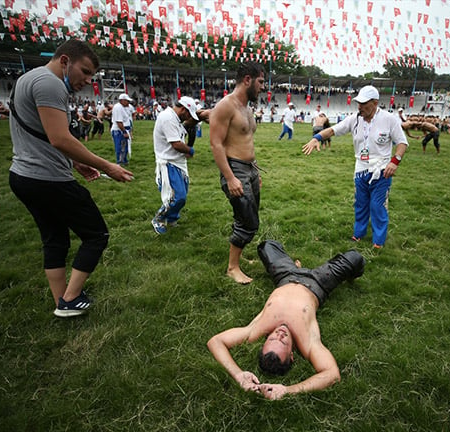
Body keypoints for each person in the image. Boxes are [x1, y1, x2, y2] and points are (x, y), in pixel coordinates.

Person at [8, 39, 133, 318]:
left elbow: (42, 135)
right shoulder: (50, 83)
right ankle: (71, 297)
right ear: (65, 61)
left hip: (23, 176)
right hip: (48, 179)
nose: (88, 80)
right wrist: (107, 166)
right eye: (85, 72)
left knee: (54, 239)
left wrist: (76, 162)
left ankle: (63, 301)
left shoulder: (27, 78)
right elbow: (60, 137)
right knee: (96, 234)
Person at [207, 239, 365, 400]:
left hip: (286, 276)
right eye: (283, 341)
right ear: (291, 355)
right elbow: (332, 374)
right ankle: (351, 274)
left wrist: (239, 375)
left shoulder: (255, 331)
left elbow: (215, 341)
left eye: (272, 338)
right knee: (355, 258)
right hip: (318, 282)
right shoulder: (307, 342)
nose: (279, 334)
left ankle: (294, 265)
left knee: (266, 245)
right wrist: (288, 390)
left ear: (264, 341)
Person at [302, 85, 408, 248]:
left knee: (377, 205)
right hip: (360, 169)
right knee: (360, 203)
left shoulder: (389, 119)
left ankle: (378, 241)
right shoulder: (354, 119)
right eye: (358, 103)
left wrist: (395, 161)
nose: (360, 107)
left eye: (364, 103)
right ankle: (358, 234)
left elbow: (402, 142)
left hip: (381, 170)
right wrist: (317, 137)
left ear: (375, 102)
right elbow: (332, 130)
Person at [209, 61, 265, 284]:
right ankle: (232, 268)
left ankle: (238, 258)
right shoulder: (225, 106)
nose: (263, 87)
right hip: (235, 170)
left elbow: (246, 141)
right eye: (260, 82)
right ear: (248, 80)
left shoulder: (246, 108)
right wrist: (230, 177)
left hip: (249, 169)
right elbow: (216, 144)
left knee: (245, 217)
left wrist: (255, 171)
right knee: (249, 222)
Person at [150, 96, 207, 234]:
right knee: (177, 196)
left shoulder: (174, 118)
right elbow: (176, 144)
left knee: (182, 194)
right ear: (183, 109)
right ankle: (158, 218)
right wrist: (190, 150)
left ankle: (171, 219)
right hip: (169, 162)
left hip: (178, 162)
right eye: (188, 114)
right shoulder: (168, 118)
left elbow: (184, 129)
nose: (188, 117)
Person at [111, 93, 133, 165]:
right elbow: (119, 121)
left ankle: (124, 160)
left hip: (123, 129)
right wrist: (124, 132)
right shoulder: (118, 108)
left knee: (124, 146)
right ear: (122, 100)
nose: (128, 103)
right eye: (127, 101)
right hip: (119, 130)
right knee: (120, 147)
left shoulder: (122, 107)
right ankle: (120, 161)